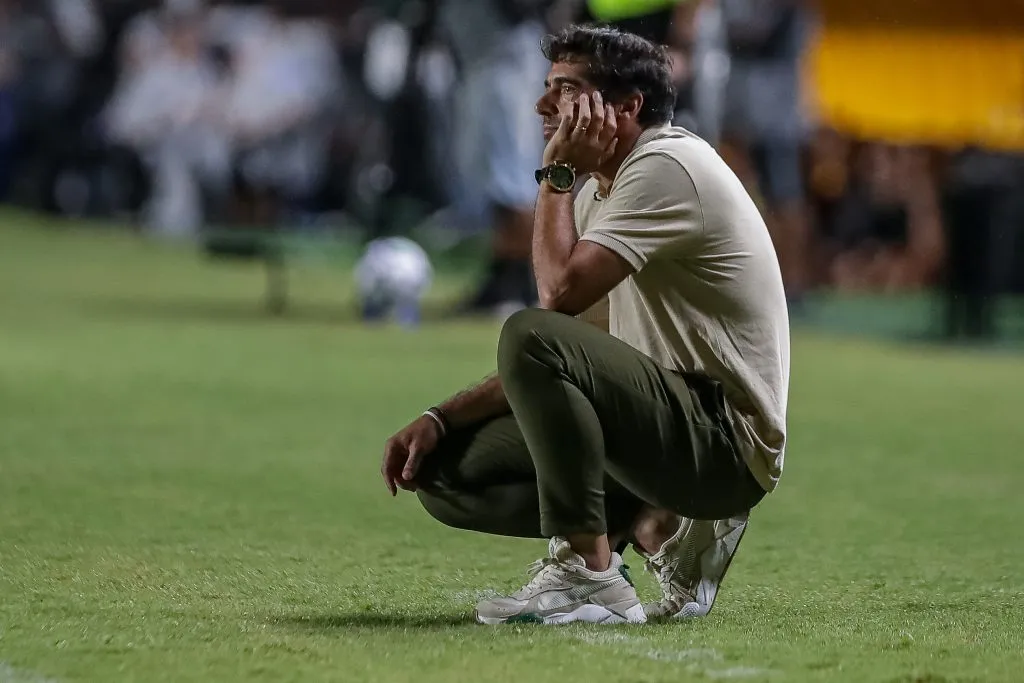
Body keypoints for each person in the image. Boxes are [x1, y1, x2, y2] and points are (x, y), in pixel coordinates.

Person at [381, 24, 790, 625]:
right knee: (444, 473)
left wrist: (556, 175)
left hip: (724, 440)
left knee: (529, 332)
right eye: (548, 88)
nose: (543, 105)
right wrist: (443, 417)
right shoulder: (604, 188)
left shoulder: (666, 165)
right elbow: (576, 343)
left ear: (626, 107)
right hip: (666, 428)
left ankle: (590, 575)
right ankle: (658, 521)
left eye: (566, 90)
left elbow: (554, 304)